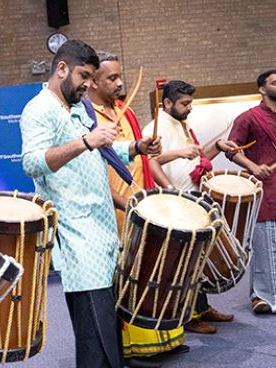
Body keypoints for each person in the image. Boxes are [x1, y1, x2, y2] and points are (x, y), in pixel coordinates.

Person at [20, 40, 160, 368]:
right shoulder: (39, 109)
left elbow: (100, 151)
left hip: (101, 230)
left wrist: (136, 147)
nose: (89, 84)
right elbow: (32, 162)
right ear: (62, 69)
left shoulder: (77, 108)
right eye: (84, 75)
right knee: (94, 334)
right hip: (77, 236)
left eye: (92, 77)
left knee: (107, 328)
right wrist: (85, 141)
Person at [87, 53, 187, 367]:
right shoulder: (87, 117)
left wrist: (157, 180)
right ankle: (131, 347)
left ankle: (161, 340)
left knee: (150, 271)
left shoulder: (124, 112)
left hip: (140, 202)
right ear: (92, 82)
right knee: (124, 277)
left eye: (120, 76)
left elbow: (140, 157)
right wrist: (129, 204)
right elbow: (93, 172)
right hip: (115, 210)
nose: (119, 83)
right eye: (111, 78)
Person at [142, 80, 237, 334]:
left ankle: (202, 307)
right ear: (168, 103)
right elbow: (149, 161)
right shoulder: (154, 128)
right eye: (185, 104)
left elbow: (196, 158)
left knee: (197, 260)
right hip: (175, 204)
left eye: (190, 103)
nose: (189, 108)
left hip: (193, 200)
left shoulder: (184, 125)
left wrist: (216, 147)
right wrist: (171, 192)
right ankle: (188, 316)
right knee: (181, 263)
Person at [226, 69, 276, 314]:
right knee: (267, 244)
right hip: (266, 192)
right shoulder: (248, 117)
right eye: (275, 82)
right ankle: (263, 297)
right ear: (262, 89)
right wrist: (254, 167)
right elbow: (232, 150)